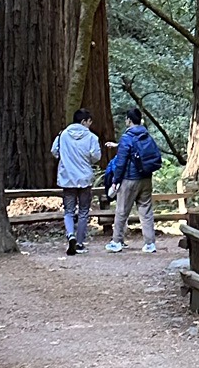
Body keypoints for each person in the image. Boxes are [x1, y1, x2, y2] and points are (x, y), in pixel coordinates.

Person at [104, 106, 162, 253]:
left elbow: (121, 162)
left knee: (122, 210)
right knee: (146, 211)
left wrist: (116, 180)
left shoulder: (127, 137)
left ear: (129, 120)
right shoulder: (146, 135)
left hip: (129, 179)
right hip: (146, 178)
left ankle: (117, 241)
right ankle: (150, 243)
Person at [51, 109, 102, 256]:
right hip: (84, 178)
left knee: (68, 211)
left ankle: (70, 235)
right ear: (83, 121)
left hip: (67, 178)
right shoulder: (92, 137)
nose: (90, 125)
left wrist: (66, 158)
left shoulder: (62, 135)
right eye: (89, 122)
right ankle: (79, 243)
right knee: (84, 211)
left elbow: (54, 151)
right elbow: (96, 156)